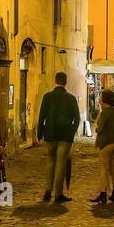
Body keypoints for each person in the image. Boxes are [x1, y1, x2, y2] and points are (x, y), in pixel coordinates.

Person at [36, 71, 81, 204]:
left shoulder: (47, 96)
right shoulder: (71, 98)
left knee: (50, 162)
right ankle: (58, 194)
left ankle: (47, 191)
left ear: (55, 81)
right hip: (65, 135)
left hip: (50, 134)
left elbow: (41, 115)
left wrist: (39, 133)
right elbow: (77, 118)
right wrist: (71, 132)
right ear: (65, 82)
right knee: (61, 163)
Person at [90, 90, 114, 205]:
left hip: (106, 144)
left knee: (103, 168)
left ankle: (103, 193)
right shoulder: (113, 111)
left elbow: (100, 128)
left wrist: (97, 127)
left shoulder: (105, 112)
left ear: (104, 99)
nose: (99, 98)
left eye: (101, 96)